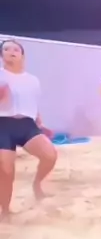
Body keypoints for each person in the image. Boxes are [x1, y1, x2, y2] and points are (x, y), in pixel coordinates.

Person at [0, 39, 57, 220]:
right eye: (6, 49)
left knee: (50, 155)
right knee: (6, 171)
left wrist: (40, 123)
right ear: (2, 55)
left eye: (16, 49)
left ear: (22, 55)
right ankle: (5, 211)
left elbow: (33, 104)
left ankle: (37, 184)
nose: (11, 51)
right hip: (3, 125)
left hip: (27, 124)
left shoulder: (32, 80)